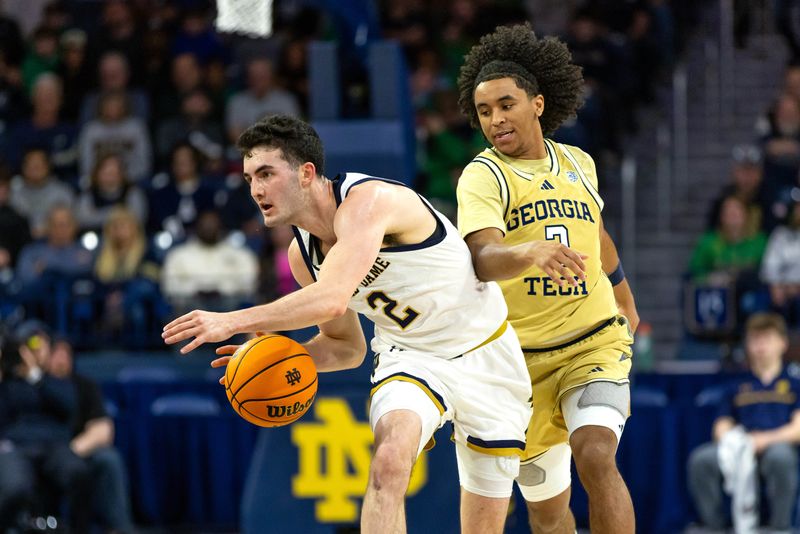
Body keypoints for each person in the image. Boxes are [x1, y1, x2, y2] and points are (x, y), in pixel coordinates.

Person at [162, 114, 532, 534]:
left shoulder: (369, 201)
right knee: (389, 461)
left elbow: (333, 298)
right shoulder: (302, 257)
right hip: (410, 356)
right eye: (249, 178)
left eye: (266, 174)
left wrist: (232, 321)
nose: (256, 190)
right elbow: (348, 348)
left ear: (305, 173)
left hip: (487, 350)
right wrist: (280, 359)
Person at [455, 24, 639, 534]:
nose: (495, 119)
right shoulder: (484, 175)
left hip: (591, 342)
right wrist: (528, 252)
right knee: (548, 513)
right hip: (517, 364)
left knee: (597, 454)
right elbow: (482, 256)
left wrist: (624, 297)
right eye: (485, 111)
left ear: (537, 104)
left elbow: (597, 236)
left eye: (506, 104)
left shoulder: (579, 163)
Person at [687, 312, 800, 531]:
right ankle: (715, 526)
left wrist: (763, 440)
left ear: (782, 343)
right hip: (740, 447)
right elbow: (720, 426)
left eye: (766, 338)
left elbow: (797, 429)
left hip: (779, 445)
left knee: (781, 458)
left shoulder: (794, 383)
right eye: (755, 339)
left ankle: (781, 527)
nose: (760, 345)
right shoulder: (737, 386)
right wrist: (737, 441)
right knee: (702, 459)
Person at [47, 337, 134, 534]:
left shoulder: (84, 386)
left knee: (109, 459)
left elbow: (103, 429)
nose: (61, 359)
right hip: (43, 451)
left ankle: (118, 528)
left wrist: (72, 451)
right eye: (56, 353)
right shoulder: (34, 385)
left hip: (76, 449)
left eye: (66, 353)